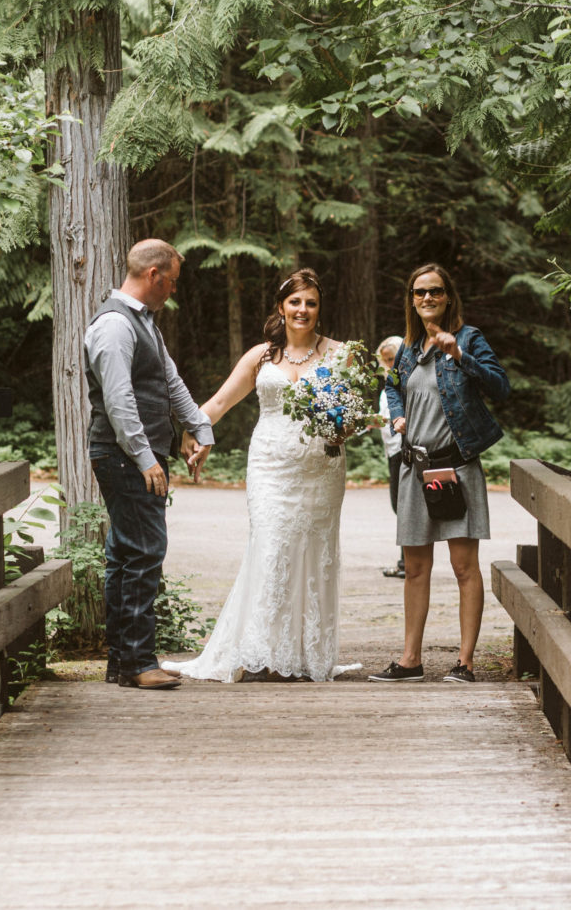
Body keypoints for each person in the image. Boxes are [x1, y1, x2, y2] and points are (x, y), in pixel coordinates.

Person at [162, 269, 362, 683]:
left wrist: (344, 427)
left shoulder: (341, 355)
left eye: (310, 302)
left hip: (321, 469)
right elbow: (220, 401)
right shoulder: (261, 356)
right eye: (295, 302)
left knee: (312, 553)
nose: (302, 310)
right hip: (271, 467)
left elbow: (355, 417)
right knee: (271, 545)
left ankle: (304, 656)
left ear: (319, 309)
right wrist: (193, 429)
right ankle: (258, 653)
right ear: (281, 307)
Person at [369, 263, 508, 685]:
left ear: (448, 296)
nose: (426, 298)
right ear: (411, 299)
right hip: (418, 466)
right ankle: (410, 660)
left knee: (464, 567)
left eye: (434, 291)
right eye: (418, 292)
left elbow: (500, 386)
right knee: (415, 569)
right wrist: (396, 416)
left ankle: (465, 663)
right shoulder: (409, 346)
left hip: (457, 466)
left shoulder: (468, 338)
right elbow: (393, 385)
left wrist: (458, 355)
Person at [85, 239, 214, 690]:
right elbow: (119, 402)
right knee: (143, 553)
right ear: (154, 275)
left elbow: (169, 381)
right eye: (173, 282)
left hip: (134, 456)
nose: (173, 291)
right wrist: (144, 458)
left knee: (125, 555)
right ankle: (139, 663)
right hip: (123, 457)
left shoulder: (145, 323)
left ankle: (123, 663)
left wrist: (201, 427)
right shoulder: (115, 326)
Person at [376, 335, 407, 579]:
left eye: (392, 358)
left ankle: (407, 563)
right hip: (392, 450)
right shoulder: (390, 380)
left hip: (404, 449)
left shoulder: (406, 378)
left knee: (403, 506)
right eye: (385, 360)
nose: (389, 363)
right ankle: (407, 561)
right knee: (399, 506)